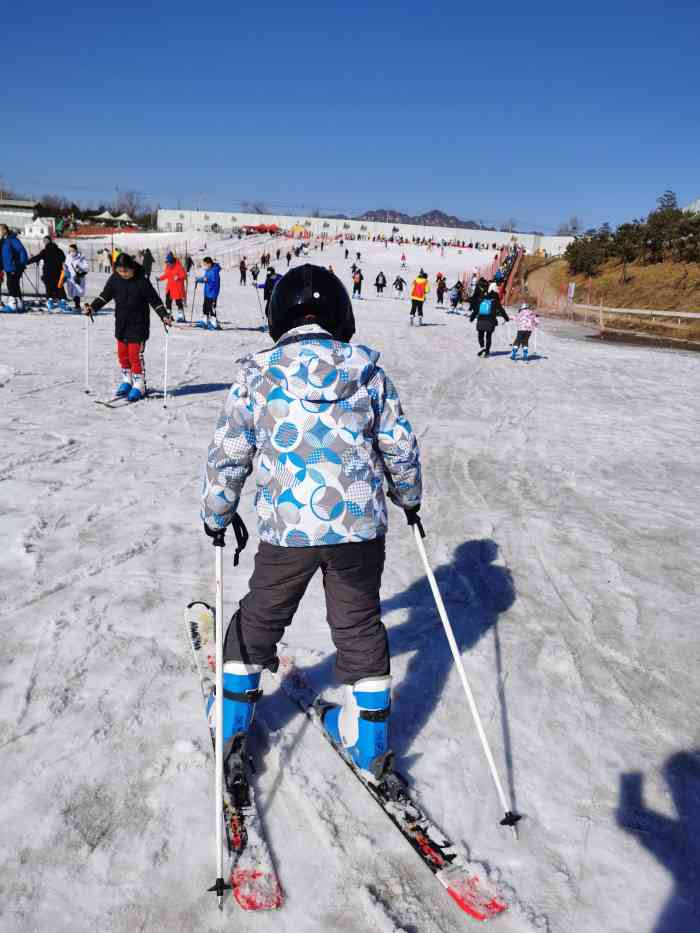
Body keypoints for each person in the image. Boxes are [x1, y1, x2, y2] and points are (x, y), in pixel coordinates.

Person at [201, 263, 422, 785]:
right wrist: (409, 498)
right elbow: (399, 445)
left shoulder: (258, 375)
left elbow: (230, 451)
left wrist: (217, 513)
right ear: (341, 315)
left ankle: (232, 724)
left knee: (260, 620)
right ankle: (369, 742)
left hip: (289, 530)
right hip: (358, 531)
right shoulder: (367, 371)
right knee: (358, 624)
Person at [84, 253, 172, 401]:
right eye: (120, 270)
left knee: (134, 356)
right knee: (122, 354)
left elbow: (155, 300)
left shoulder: (142, 281)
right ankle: (127, 380)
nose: (123, 273)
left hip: (138, 325)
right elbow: (104, 296)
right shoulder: (115, 279)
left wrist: (164, 315)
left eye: (126, 271)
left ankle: (139, 385)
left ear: (132, 268)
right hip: (122, 324)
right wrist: (92, 307)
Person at [469, 283, 509, 357]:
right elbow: (501, 310)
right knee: (488, 336)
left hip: (481, 320)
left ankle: (483, 347)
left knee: (480, 334)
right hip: (490, 321)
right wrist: (506, 318)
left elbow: (477, 309)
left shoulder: (483, 298)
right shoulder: (495, 300)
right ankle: (487, 351)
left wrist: (472, 317)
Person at [26, 236, 66, 308]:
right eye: (44, 240)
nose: (44, 242)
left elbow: (36, 258)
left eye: (45, 241)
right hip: (58, 272)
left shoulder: (45, 251)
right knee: (59, 287)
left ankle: (50, 302)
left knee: (49, 287)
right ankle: (62, 302)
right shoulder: (59, 250)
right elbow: (63, 259)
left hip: (48, 273)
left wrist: (25, 262)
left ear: (49, 241)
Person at [0, 224, 28, 312]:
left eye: (0, 230)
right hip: (8, 267)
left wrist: (22, 264)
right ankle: (19, 304)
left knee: (11, 284)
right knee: (15, 285)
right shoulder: (4, 241)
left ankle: (12, 305)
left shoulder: (12, 239)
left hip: (14, 266)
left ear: (5, 230)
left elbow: (22, 251)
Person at [159, 252, 187, 322]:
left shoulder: (179, 266)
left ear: (173, 262)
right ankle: (169, 315)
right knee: (168, 301)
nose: (168, 264)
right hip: (170, 287)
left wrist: (178, 277)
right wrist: (160, 278)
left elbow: (184, 276)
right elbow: (166, 275)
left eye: (169, 263)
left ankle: (181, 316)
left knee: (178, 301)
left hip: (177, 287)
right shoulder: (168, 267)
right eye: (167, 263)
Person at [195, 257, 222, 330]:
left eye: (205, 264)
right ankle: (205, 321)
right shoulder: (208, 270)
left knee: (211, 308)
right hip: (207, 292)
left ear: (209, 264)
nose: (204, 266)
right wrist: (199, 279)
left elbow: (213, 280)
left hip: (213, 293)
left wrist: (206, 279)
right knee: (205, 307)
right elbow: (205, 278)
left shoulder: (214, 271)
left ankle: (214, 323)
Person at [63, 243, 90, 311]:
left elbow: (86, 267)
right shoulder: (68, 257)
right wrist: (65, 268)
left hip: (78, 277)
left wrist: (80, 267)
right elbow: (66, 265)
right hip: (70, 278)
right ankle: (76, 305)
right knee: (71, 293)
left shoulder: (81, 258)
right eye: (70, 250)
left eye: (73, 250)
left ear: (76, 250)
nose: (72, 252)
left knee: (77, 292)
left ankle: (77, 306)